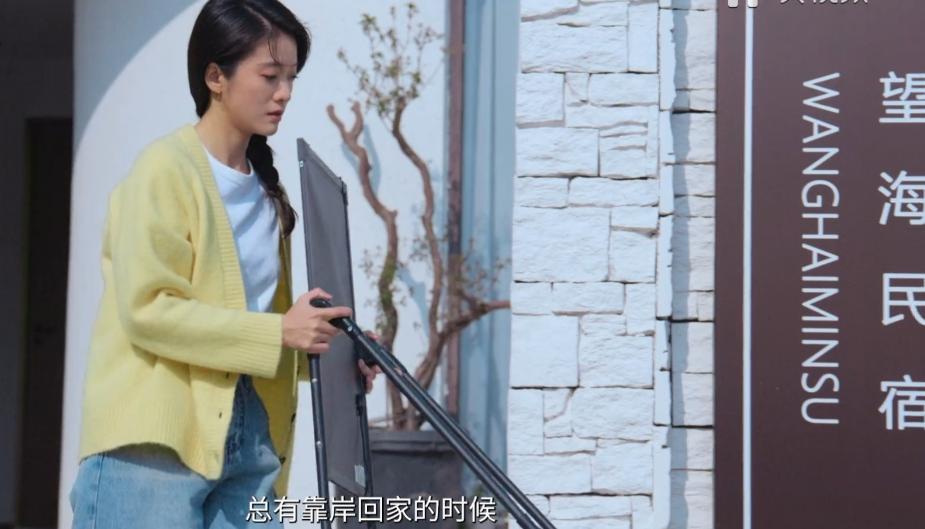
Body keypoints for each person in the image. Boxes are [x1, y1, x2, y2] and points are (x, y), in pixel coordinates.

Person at [68, 1, 381, 527]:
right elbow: (149, 310)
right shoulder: (164, 170)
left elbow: (251, 329)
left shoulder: (269, 194)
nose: (285, 92)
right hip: (154, 443)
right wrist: (281, 332)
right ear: (215, 76)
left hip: (248, 435)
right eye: (270, 76)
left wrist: (329, 352)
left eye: (291, 77)